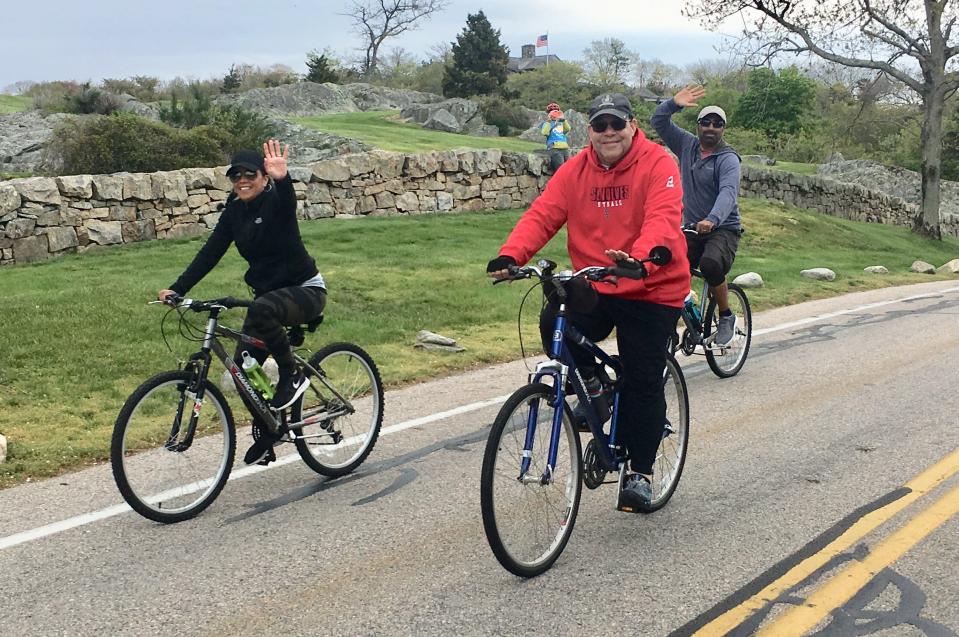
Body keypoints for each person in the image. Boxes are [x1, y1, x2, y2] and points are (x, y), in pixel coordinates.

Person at [487, 93, 689, 510]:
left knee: (642, 378)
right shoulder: (576, 170)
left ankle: (641, 471)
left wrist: (642, 257)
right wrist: (512, 255)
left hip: (651, 284)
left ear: (633, 126)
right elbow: (543, 213)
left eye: (617, 124)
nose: (609, 132)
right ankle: (595, 388)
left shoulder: (658, 163)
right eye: (600, 125)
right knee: (554, 322)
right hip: (597, 282)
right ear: (590, 131)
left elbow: (663, 217)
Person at [158, 140, 327, 466]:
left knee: (262, 310)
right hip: (268, 299)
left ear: (263, 177)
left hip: (305, 290)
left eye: (250, 174)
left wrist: (282, 177)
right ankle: (270, 429)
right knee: (244, 369)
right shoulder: (234, 212)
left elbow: (286, 200)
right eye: (236, 176)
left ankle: (290, 376)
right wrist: (177, 288)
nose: (242, 180)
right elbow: (210, 252)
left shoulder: (275, 201)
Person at [651, 84, 742, 345]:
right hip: (691, 227)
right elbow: (658, 120)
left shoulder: (728, 159)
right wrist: (674, 104)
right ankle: (673, 318)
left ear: (723, 129)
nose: (711, 128)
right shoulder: (686, 145)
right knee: (665, 265)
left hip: (723, 228)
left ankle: (725, 316)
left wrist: (713, 219)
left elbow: (728, 192)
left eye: (717, 124)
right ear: (698, 125)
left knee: (711, 264)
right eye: (706, 122)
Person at [541, 102, 571, 172]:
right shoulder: (547, 124)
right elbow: (544, 133)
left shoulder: (560, 123)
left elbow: (568, 129)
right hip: (554, 148)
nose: (554, 114)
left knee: (569, 168)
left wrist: (563, 120)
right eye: (552, 112)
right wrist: (549, 121)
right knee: (561, 169)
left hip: (564, 148)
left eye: (556, 112)